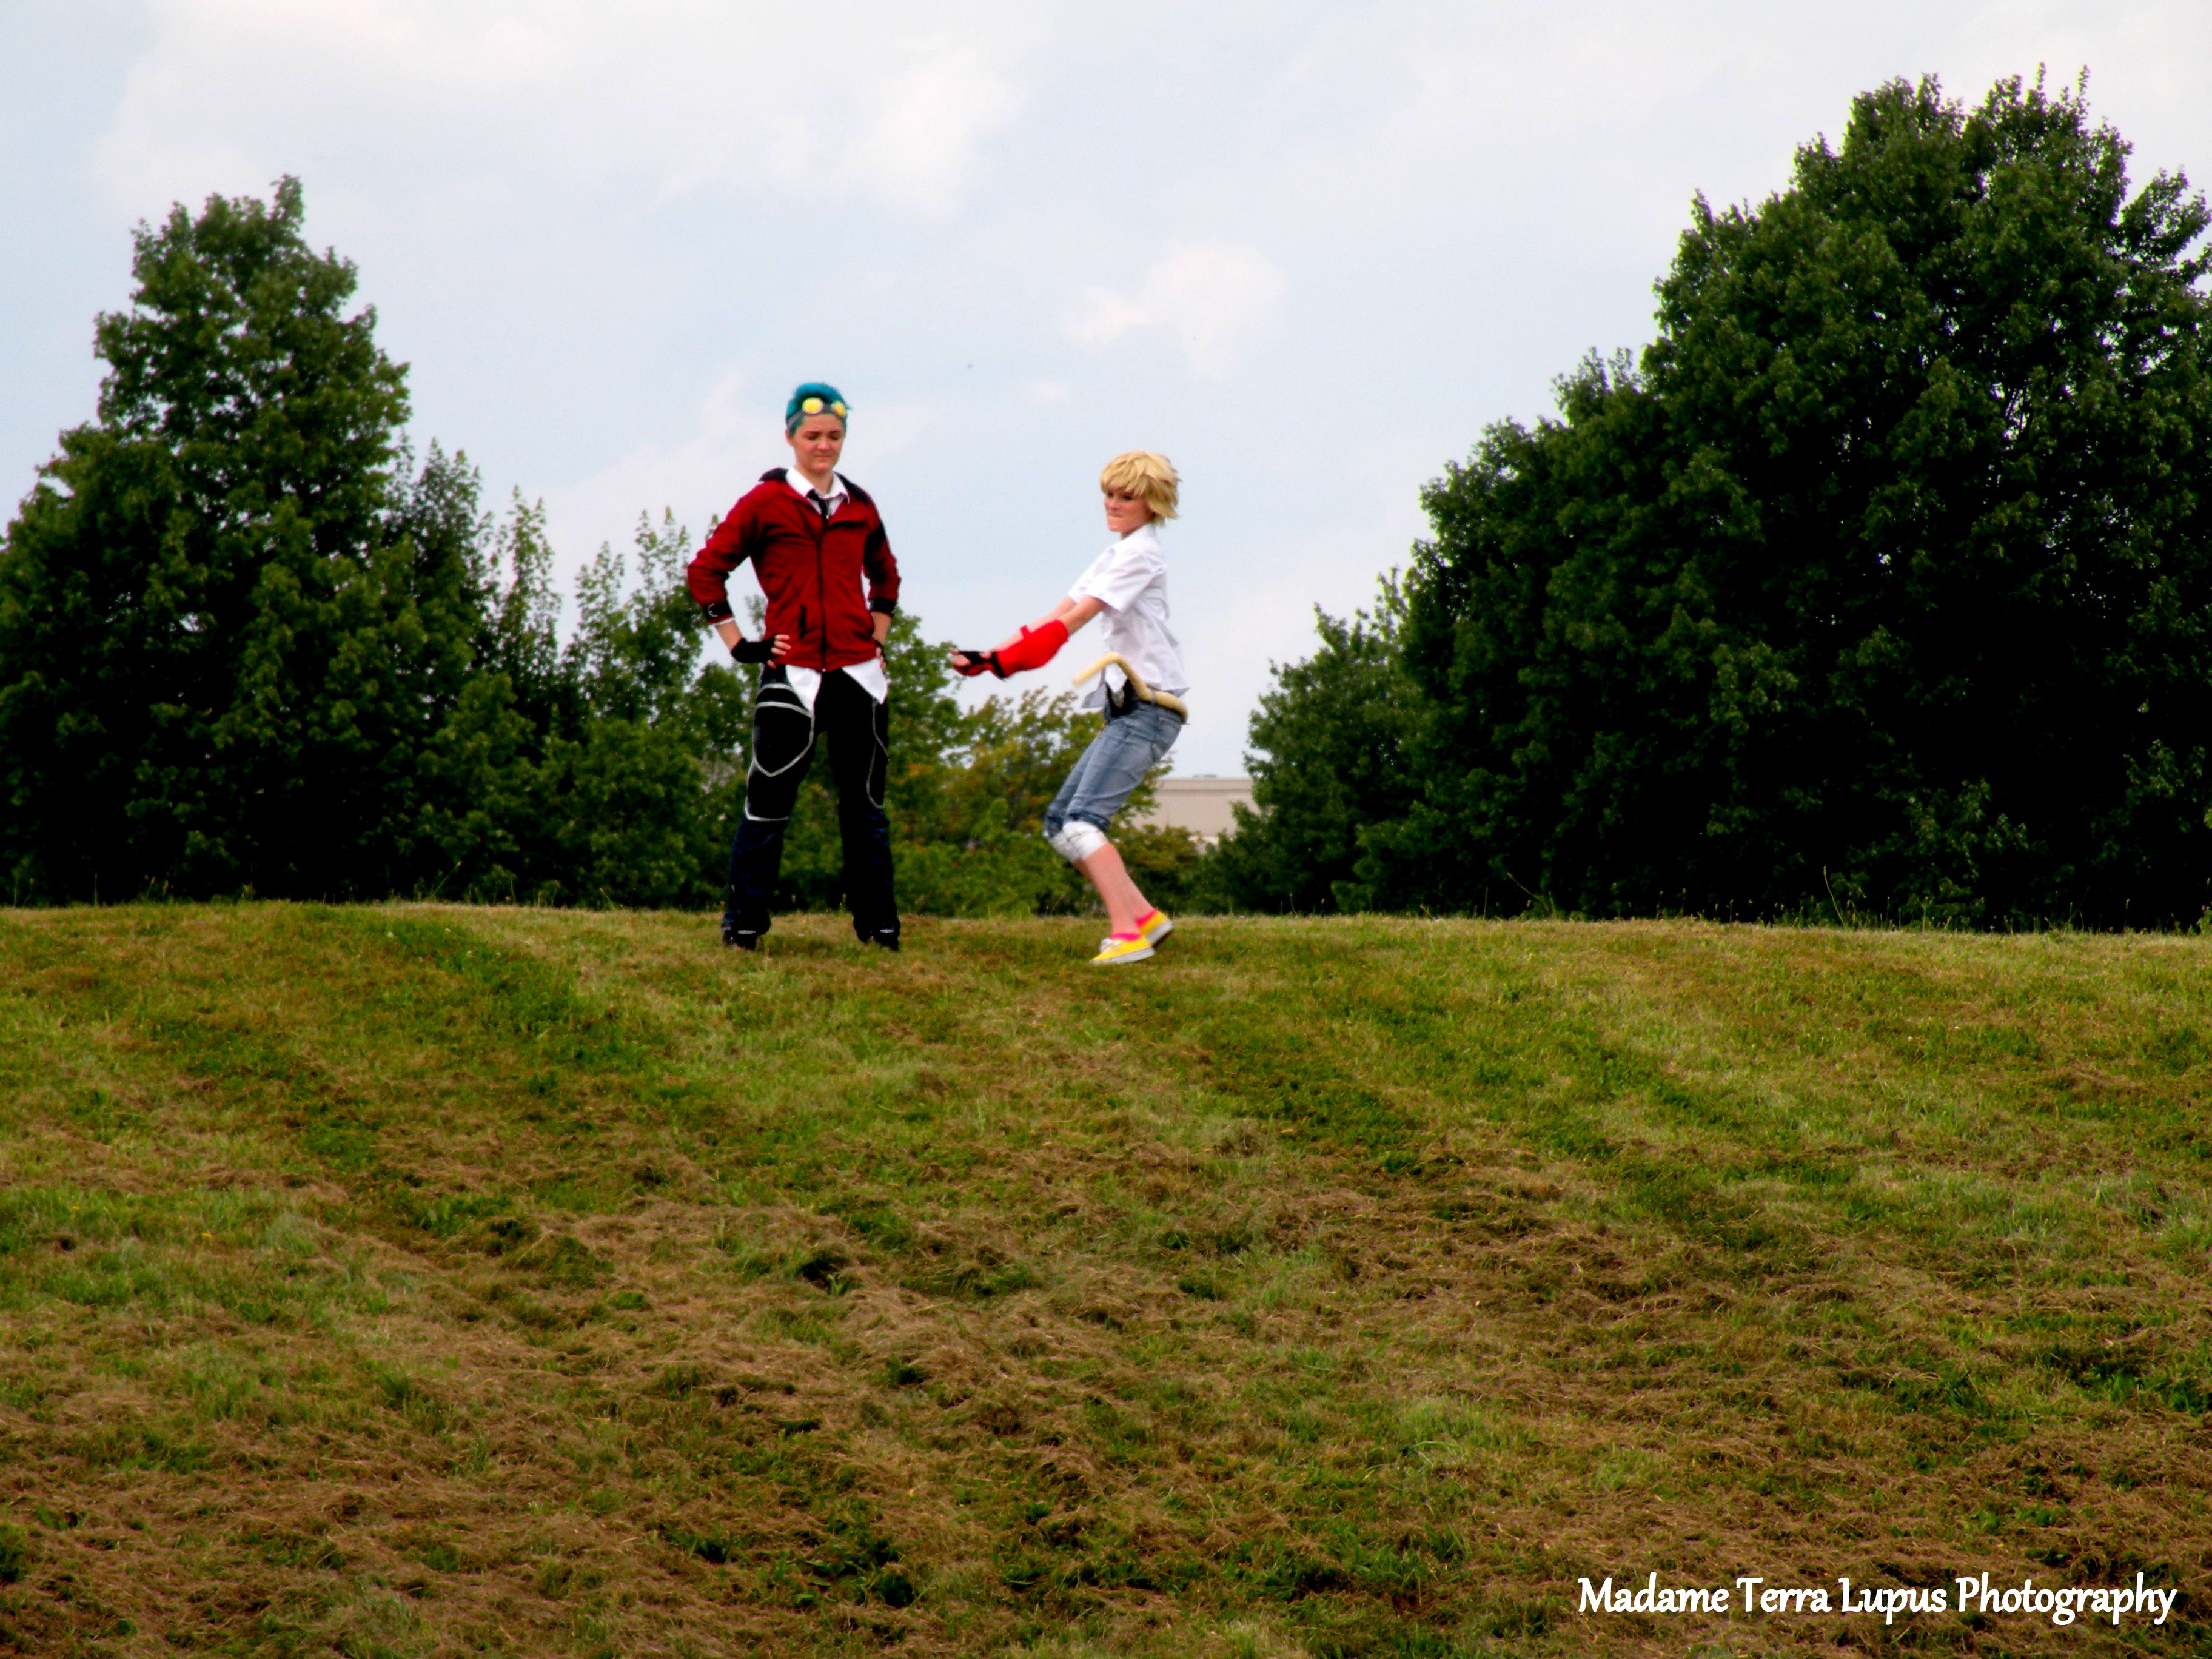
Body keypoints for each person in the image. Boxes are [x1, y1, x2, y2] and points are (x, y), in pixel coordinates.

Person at [686, 383, 901, 952]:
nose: (823, 446)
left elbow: (886, 575)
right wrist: (740, 645)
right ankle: (743, 928)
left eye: (834, 436)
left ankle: (880, 930)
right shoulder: (764, 503)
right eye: (812, 436)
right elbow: (705, 572)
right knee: (767, 806)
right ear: (790, 438)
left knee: (866, 811)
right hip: (794, 676)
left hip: (859, 677)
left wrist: (876, 637)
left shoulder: (860, 504)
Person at [951, 451, 1188, 965]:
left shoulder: (1141, 555)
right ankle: (1146, 917)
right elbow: (1056, 615)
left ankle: (1127, 936)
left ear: (1153, 504)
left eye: (1127, 497)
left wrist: (1006, 663)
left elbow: (1075, 622)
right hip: (1128, 710)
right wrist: (991, 656)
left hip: (1150, 708)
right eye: (1109, 494)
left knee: (1083, 822)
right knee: (1060, 825)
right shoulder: (1116, 553)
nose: (1113, 504)